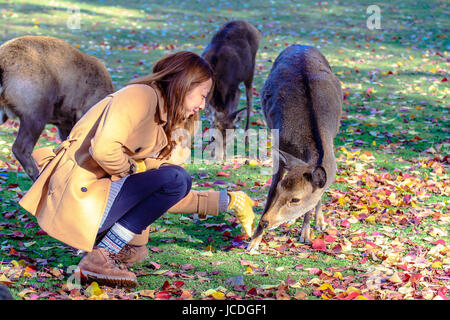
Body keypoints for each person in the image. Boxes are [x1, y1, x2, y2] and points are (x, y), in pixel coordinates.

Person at [19, 51, 256, 288]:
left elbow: (164, 195)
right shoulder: (140, 96)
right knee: (176, 179)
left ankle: (101, 254)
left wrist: (227, 201)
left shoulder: (161, 122)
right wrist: (133, 169)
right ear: (183, 85)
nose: (202, 106)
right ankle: (100, 257)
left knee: (137, 249)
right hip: (77, 197)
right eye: (202, 95)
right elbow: (103, 149)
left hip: (96, 199)